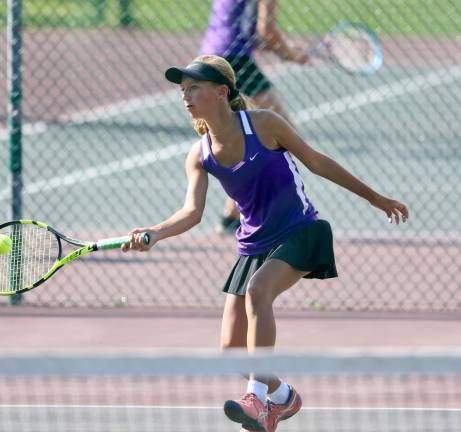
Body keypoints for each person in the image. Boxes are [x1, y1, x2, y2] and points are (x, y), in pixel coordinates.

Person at [123, 55, 409, 432]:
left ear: (221, 91)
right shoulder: (201, 154)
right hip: (253, 247)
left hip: (300, 230)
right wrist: (156, 233)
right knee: (230, 354)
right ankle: (282, 396)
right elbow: (192, 211)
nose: (185, 97)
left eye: (194, 88)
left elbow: (317, 162)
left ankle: (256, 398)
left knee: (259, 292)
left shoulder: (264, 124)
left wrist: (376, 198)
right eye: (183, 90)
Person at [200, 0, 309, 234]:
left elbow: (245, 29)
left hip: (210, 58)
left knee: (247, 138)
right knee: (286, 135)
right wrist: (291, 55)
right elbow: (267, 32)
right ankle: (260, 213)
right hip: (235, 61)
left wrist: (287, 48)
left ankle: (233, 216)